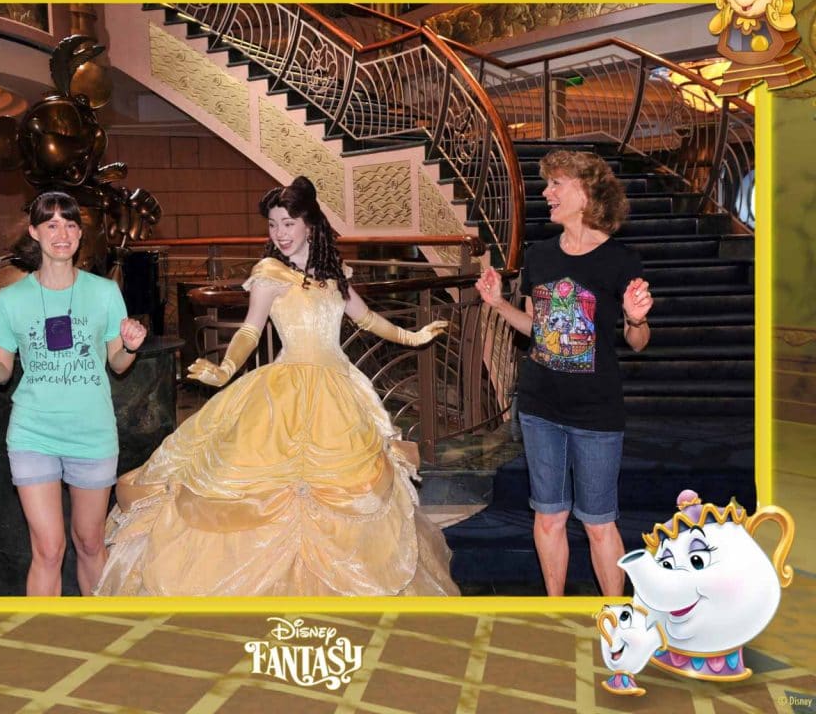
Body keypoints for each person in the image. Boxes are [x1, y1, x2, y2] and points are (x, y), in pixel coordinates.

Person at [95, 176, 460, 596]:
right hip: (284, 389)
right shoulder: (269, 274)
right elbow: (251, 330)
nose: (280, 234)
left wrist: (412, 337)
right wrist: (226, 368)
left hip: (338, 393)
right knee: (266, 488)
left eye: (288, 223)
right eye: (273, 225)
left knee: (347, 491)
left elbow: (365, 318)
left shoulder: (334, 273)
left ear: (309, 224)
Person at [475, 150, 653, 597]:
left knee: (598, 523)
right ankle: (554, 610)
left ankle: (617, 616)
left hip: (596, 413)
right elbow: (537, 329)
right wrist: (499, 305)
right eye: (547, 183)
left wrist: (635, 318)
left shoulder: (620, 260)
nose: (546, 192)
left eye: (557, 183)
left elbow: (639, 343)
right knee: (549, 515)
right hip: (540, 406)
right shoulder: (539, 256)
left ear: (587, 192)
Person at [0, 190, 147, 596]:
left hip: (92, 434)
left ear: (80, 235)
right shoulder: (10, 299)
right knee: (48, 548)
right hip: (34, 434)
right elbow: (2, 372)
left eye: (69, 224)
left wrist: (130, 344)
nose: (61, 233)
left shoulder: (104, 293)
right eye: (51, 224)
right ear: (35, 232)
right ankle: (42, 640)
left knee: (90, 543)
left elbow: (118, 364)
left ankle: (100, 637)